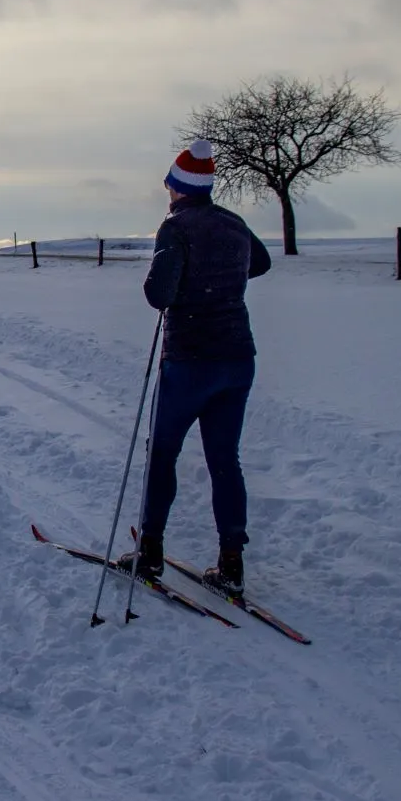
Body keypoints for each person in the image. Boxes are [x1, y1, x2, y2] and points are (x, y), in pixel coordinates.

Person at [117, 139, 271, 598]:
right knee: (225, 459)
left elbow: (158, 294)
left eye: (169, 185)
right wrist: (222, 277)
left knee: (163, 453)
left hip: (189, 361)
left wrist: (184, 281)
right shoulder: (232, 222)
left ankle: (150, 552)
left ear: (178, 187)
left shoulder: (176, 227)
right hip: (238, 359)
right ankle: (231, 562)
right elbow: (260, 262)